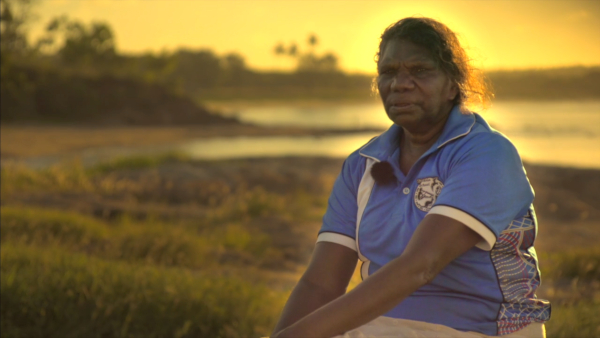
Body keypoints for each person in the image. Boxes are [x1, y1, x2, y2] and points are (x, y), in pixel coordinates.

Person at [271, 17, 551, 338]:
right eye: (389, 72)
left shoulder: (487, 153)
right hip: (381, 328)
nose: (400, 83)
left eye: (419, 71)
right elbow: (319, 284)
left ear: (452, 85)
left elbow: (421, 266)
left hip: (484, 329)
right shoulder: (362, 164)